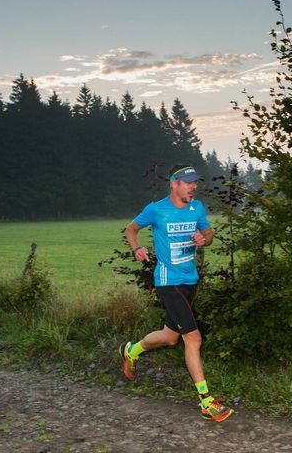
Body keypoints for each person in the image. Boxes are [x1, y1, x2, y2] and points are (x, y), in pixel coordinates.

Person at [120, 164, 234, 422]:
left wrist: (204, 239)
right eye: (187, 182)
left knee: (170, 337)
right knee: (193, 338)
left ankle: (131, 351)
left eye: (195, 182)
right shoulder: (156, 209)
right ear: (174, 183)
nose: (193, 186)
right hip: (167, 281)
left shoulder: (197, 208)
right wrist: (137, 248)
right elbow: (130, 229)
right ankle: (206, 401)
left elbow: (209, 234)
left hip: (189, 280)